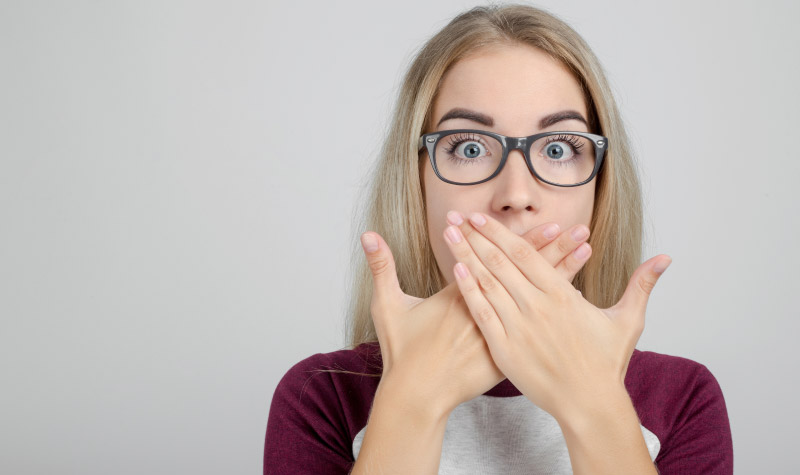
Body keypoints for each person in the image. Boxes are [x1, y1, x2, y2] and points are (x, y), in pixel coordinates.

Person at [263, 4, 733, 474]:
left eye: (556, 148)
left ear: (600, 187)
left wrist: (594, 406)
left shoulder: (683, 398)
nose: (515, 195)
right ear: (416, 180)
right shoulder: (322, 395)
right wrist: (411, 403)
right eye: (469, 148)